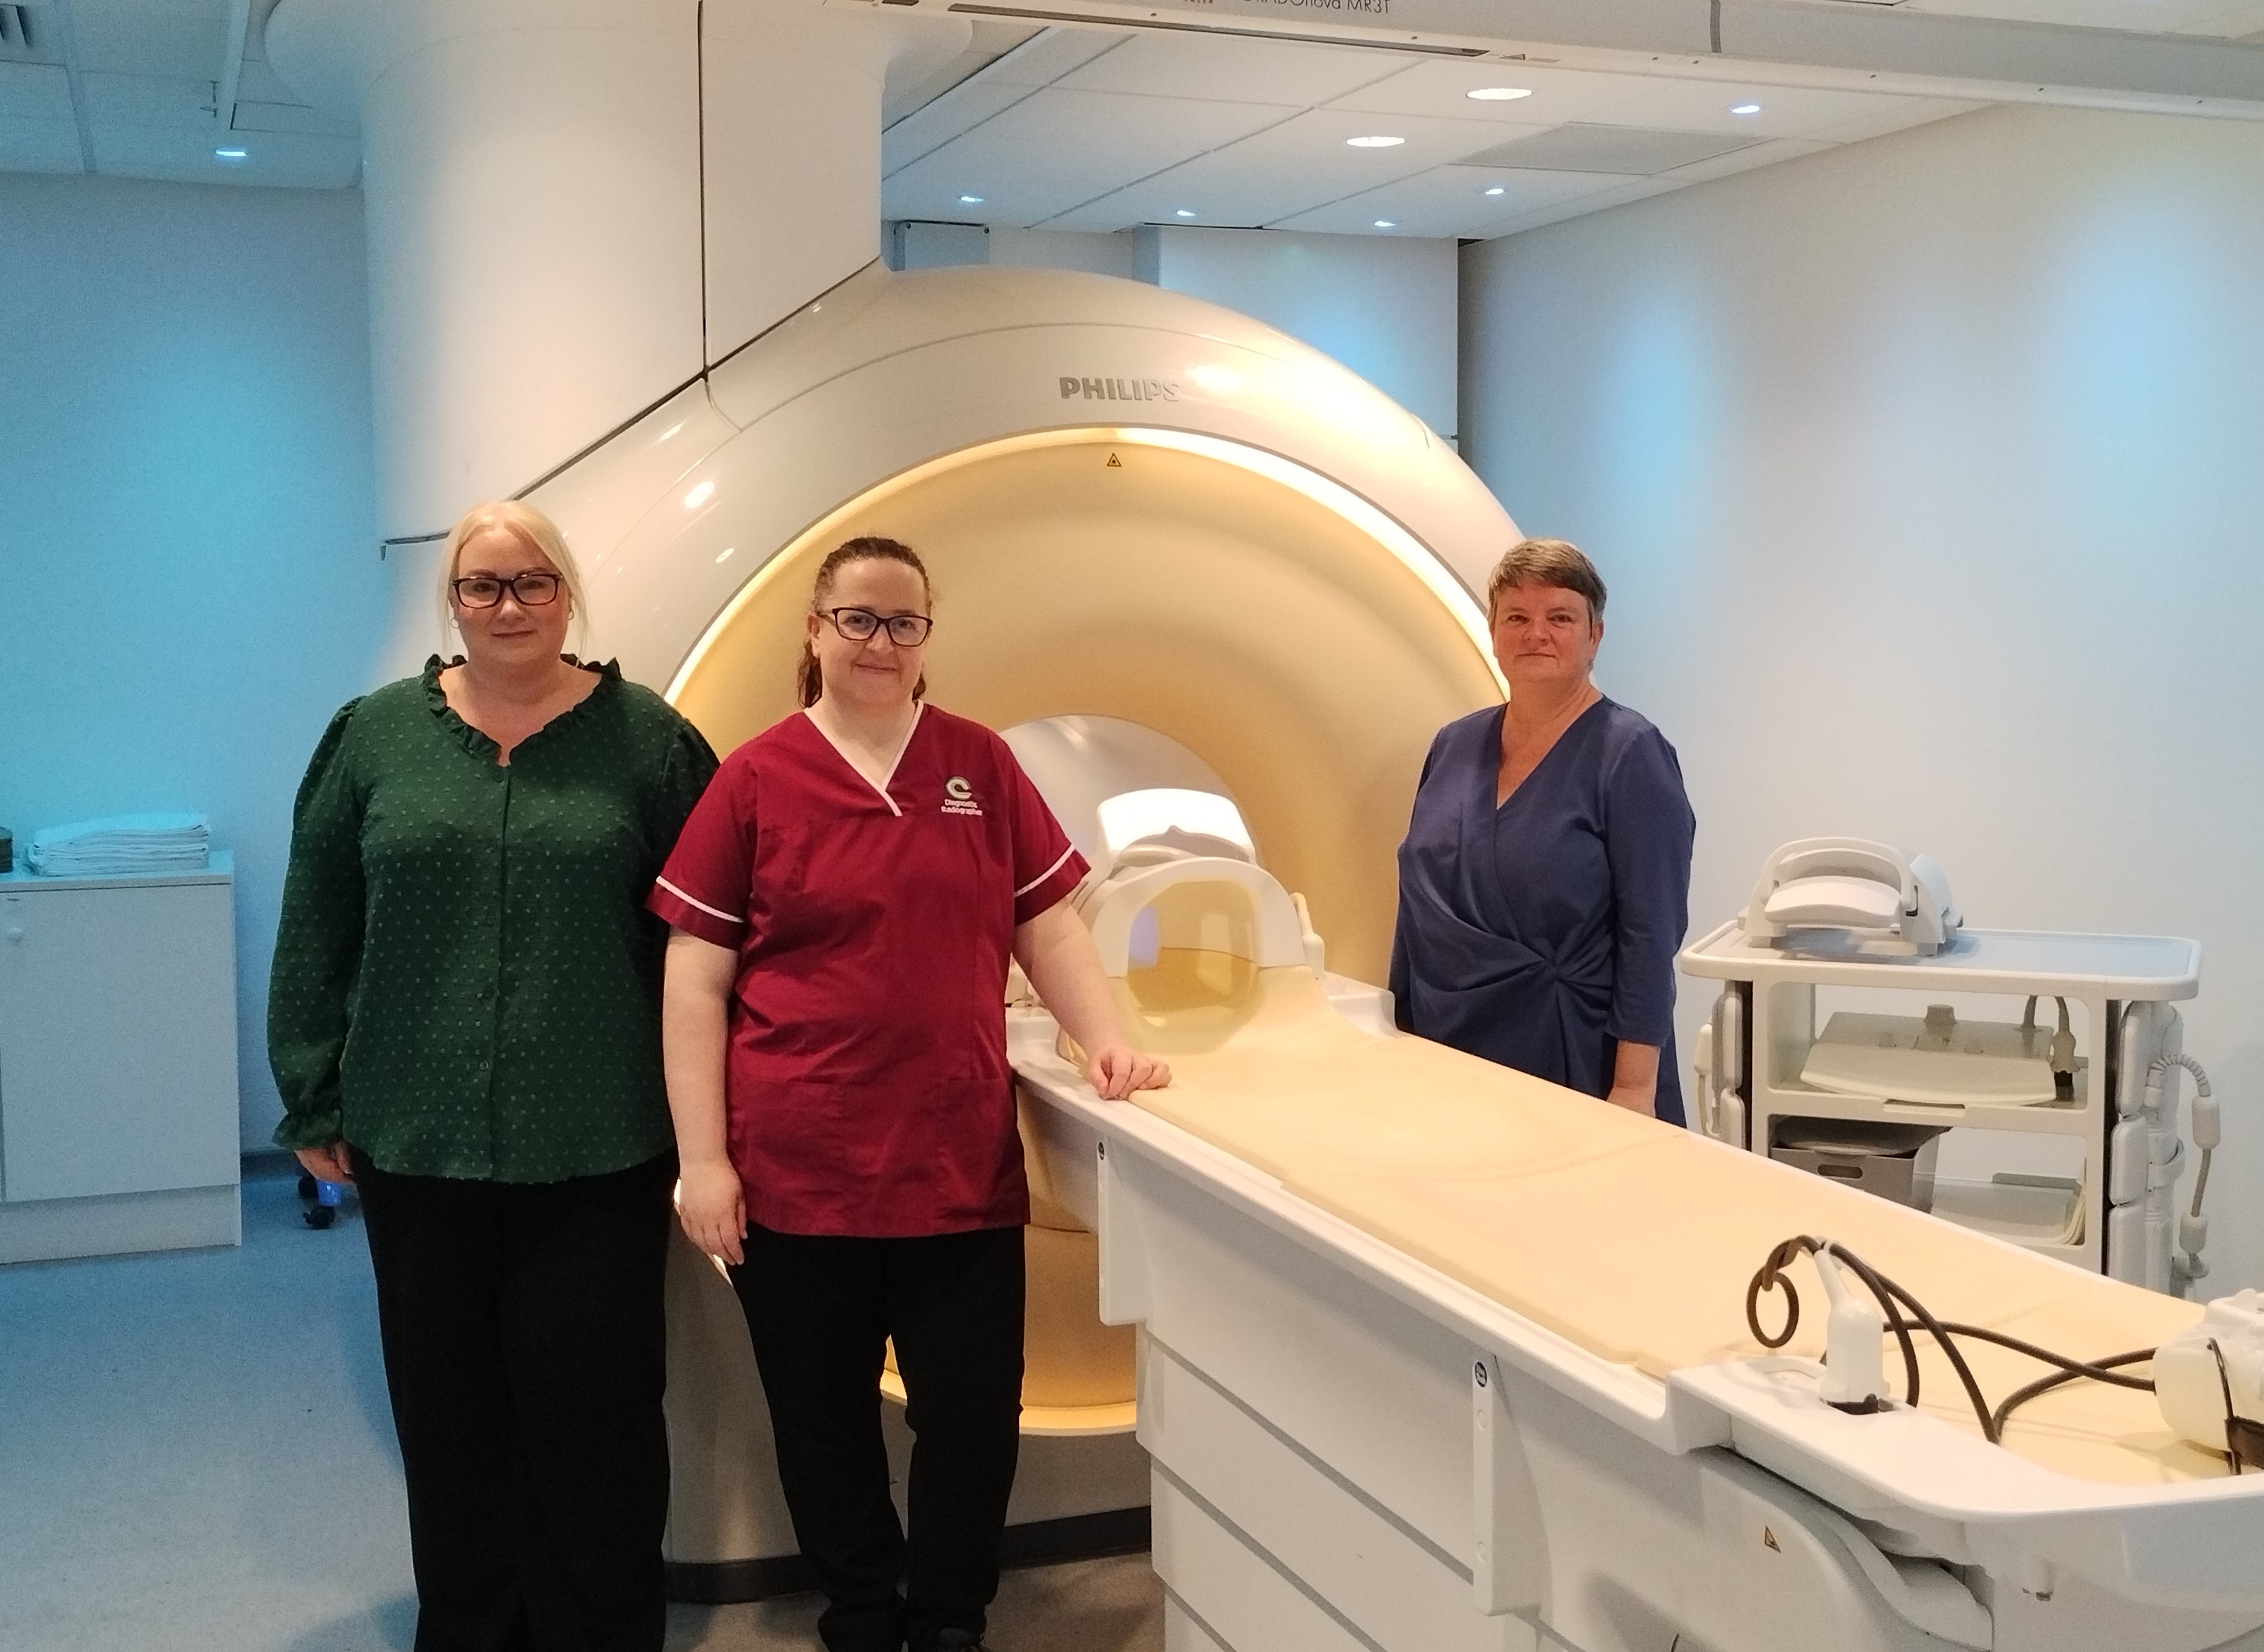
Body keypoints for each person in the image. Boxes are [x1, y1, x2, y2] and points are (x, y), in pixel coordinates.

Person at [650, 535, 1169, 1652]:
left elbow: (1051, 921)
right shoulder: (756, 777)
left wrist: (1106, 1042)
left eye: (904, 622)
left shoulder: (978, 761)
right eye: (859, 619)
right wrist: (705, 1161)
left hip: (954, 1163)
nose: (882, 642)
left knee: (974, 1418)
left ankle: (947, 1621)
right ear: (816, 628)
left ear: (927, 635)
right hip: (796, 1169)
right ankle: (860, 1615)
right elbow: (695, 977)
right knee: (823, 1419)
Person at [268, 498, 718, 1652]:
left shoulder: (651, 743)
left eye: (530, 583)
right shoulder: (372, 737)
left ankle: (603, 1628)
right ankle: (469, 1626)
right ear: (452, 599)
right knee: (448, 1412)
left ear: (567, 594)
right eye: (482, 585)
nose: (507, 605)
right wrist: (311, 1088)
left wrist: (717, 1116)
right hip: (415, 1137)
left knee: (599, 1410)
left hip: (601, 1136)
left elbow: (708, 940)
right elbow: (319, 920)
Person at [1390, 538, 1696, 1123]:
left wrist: (1634, 1088)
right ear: (1494, 631)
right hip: (1447, 1043)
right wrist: (1401, 1028)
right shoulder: (1453, 745)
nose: (1536, 634)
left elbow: (1650, 934)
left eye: (1559, 617)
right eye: (1518, 618)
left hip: (1572, 1054)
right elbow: (1417, 903)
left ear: (1594, 636)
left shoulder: (1631, 754)